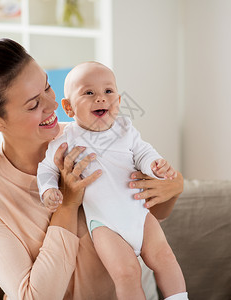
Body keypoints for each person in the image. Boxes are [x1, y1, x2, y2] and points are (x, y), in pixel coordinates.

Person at [0, 38, 185, 300]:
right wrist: (67, 206)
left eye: (47, 88)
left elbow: (147, 212)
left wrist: (174, 187)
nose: (53, 106)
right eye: (33, 104)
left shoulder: (91, 133)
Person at [37, 62, 187, 300]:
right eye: (89, 93)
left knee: (166, 258)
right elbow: (45, 168)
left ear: (118, 99)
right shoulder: (66, 140)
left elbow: (143, 152)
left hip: (139, 213)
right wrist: (48, 189)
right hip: (104, 225)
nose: (101, 99)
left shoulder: (125, 127)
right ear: (69, 108)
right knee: (126, 273)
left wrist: (155, 165)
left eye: (109, 91)